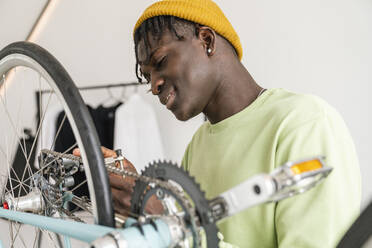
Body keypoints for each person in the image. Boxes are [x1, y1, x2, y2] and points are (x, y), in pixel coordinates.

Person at [76, 0, 361, 247]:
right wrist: (140, 199)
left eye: (160, 61)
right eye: (147, 76)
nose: (153, 86)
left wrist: (167, 221)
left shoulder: (303, 123)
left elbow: (189, 236)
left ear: (207, 41)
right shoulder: (198, 145)